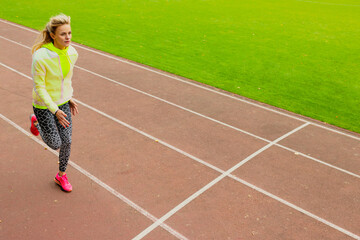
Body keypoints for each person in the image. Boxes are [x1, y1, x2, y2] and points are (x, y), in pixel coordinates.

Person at [29, 13, 79, 192]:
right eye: (63, 34)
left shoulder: (72, 53)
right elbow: (40, 87)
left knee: (67, 141)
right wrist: (54, 109)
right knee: (54, 143)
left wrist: (69, 97)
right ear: (52, 35)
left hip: (62, 102)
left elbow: (65, 81)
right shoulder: (41, 56)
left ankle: (61, 175)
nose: (68, 38)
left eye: (70, 33)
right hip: (44, 105)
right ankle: (35, 120)